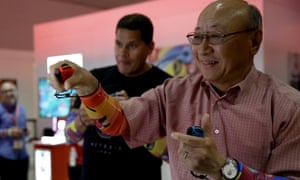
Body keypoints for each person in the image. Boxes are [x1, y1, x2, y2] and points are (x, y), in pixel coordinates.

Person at [48, 0, 300, 179]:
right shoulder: (173, 92)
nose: (203, 48)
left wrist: (226, 170)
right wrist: (89, 88)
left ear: (254, 41)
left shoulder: (287, 107)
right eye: (197, 37)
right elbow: (119, 121)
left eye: (216, 37)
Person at [64, 13, 172, 180]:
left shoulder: (165, 86)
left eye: (132, 46)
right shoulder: (94, 80)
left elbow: (174, 154)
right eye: (118, 44)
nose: (122, 53)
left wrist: (135, 116)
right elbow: (68, 137)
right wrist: (82, 121)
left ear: (150, 47)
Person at [0, 80, 29, 180]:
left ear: (16, 91)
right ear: (1, 94)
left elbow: (23, 127)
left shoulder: (21, 109)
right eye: (5, 91)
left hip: (23, 155)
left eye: (11, 90)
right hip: (6, 157)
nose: (9, 94)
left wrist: (25, 131)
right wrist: (9, 132)